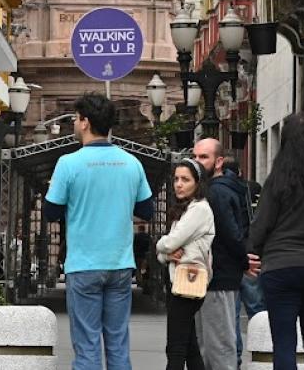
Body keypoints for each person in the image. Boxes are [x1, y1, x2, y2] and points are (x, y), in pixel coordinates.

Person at [44, 93, 154, 370]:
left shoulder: (68, 163)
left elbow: (50, 212)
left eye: (75, 118)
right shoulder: (132, 163)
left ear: (85, 122)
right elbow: (147, 210)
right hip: (120, 264)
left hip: (83, 264)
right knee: (118, 344)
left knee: (87, 346)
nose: (74, 123)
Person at [246, 113, 304, 370]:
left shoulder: (277, 180)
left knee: (284, 343)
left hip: (282, 265)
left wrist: (252, 253)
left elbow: (262, 224)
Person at [191, 138, 247, 370]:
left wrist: (245, 261)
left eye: (204, 157)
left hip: (218, 277)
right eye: (195, 156)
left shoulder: (216, 192)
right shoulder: (221, 189)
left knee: (218, 346)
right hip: (217, 276)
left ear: (219, 161)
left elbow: (231, 233)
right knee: (211, 345)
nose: (197, 162)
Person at [157, 158, 216, 370]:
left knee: (175, 347)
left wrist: (159, 245)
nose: (179, 184)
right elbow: (167, 253)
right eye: (176, 179)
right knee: (190, 347)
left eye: (185, 179)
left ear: (198, 183)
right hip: (180, 282)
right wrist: (165, 255)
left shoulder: (199, 209)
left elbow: (170, 242)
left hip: (188, 283)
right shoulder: (186, 209)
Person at [222, 156, 264, 320]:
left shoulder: (218, 191)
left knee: (232, 311)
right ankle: (260, 336)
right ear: (239, 171)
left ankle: (235, 339)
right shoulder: (252, 188)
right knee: (256, 306)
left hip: (229, 256)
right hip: (251, 250)